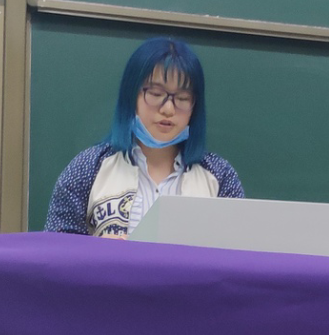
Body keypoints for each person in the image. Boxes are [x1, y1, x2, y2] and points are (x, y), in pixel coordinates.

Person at [44, 37, 244, 237]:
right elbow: (56, 246)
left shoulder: (219, 175)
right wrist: (99, 249)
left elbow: (240, 248)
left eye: (183, 98)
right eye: (155, 94)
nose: (168, 109)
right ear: (131, 96)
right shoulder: (89, 168)